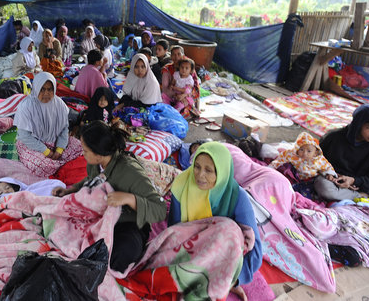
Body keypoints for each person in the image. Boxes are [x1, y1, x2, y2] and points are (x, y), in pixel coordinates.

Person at [53, 121, 167, 272]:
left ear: (99, 154)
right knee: (62, 231)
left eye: (85, 150)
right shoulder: (95, 164)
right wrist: (71, 190)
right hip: (100, 217)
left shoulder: (130, 171)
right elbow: (91, 180)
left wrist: (129, 199)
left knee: (120, 254)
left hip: (127, 223)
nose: (83, 153)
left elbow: (159, 209)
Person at [168, 142, 262, 300]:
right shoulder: (182, 185)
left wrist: (233, 281)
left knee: (229, 228)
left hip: (223, 254)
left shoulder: (237, 197)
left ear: (222, 172)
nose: (199, 175)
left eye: (209, 170)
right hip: (191, 249)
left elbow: (256, 250)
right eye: (197, 166)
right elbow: (175, 231)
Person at [13, 72, 83, 177]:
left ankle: (56, 164)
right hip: (33, 144)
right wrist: (46, 152)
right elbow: (24, 136)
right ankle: (59, 164)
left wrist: (59, 149)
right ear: (36, 88)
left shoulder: (59, 105)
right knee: (39, 165)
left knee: (79, 146)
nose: (46, 93)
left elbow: (64, 129)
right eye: (42, 89)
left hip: (54, 141)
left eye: (49, 89)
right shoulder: (26, 106)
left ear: (54, 89)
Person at [269, 132, 337, 181]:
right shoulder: (292, 154)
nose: (304, 153)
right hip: (295, 175)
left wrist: (330, 174)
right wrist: (271, 167)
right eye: (301, 149)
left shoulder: (319, 160)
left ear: (315, 153)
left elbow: (327, 167)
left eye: (309, 151)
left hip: (310, 179)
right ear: (297, 149)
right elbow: (280, 159)